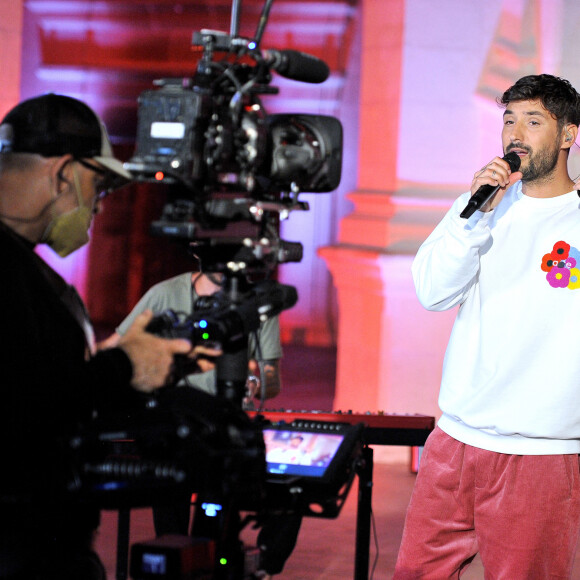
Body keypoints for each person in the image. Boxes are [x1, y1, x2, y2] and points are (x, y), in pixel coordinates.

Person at [0, 93, 219, 580]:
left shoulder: (25, 271)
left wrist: (119, 365)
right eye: (97, 188)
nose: (98, 209)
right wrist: (121, 368)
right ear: (62, 174)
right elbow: (24, 416)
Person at [393, 73, 580, 579]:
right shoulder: (479, 207)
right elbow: (432, 292)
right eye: (509, 119)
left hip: (540, 452)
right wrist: (471, 220)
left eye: (534, 121)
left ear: (568, 134)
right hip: (454, 441)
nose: (516, 133)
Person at [104, 269, 283, 404]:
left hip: (229, 417)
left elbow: (272, 380)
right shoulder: (163, 293)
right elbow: (113, 347)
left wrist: (254, 384)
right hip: (170, 416)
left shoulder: (261, 306)